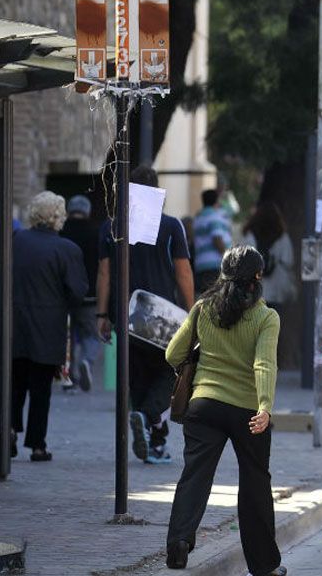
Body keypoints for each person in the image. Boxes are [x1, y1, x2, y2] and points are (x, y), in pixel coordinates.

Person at [164, 246, 286, 576]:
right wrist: (265, 407)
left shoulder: (203, 308)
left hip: (203, 406)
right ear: (257, 278)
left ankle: (178, 541)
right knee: (254, 484)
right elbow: (264, 364)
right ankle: (264, 566)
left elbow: (173, 354)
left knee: (195, 475)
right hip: (247, 412)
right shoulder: (265, 317)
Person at [97, 166, 194, 464]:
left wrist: (102, 313)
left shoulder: (112, 226)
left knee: (136, 375)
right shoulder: (171, 226)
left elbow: (104, 272)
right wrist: (193, 314)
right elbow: (183, 273)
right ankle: (149, 420)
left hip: (124, 314)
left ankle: (151, 437)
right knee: (171, 370)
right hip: (162, 317)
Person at [11, 192, 88, 461]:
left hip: (14, 325)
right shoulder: (66, 249)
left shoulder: (15, 241)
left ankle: (9, 430)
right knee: (41, 388)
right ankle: (37, 445)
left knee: (15, 382)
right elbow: (77, 292)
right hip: (48, 327)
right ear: (58, 217)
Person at [59, 194, 101, 392]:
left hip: (64, 295)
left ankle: (71, 377)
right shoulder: (95, 232)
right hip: (90, 294)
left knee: (68, 337)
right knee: (91, 335)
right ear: (88, 211)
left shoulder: (61, 231)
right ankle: (87, 360)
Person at [242, 201, 297, 312]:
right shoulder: (282, 236)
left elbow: (243, 262)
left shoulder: (250, 236)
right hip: (278, 292)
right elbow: (289, 261)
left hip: (257, 294)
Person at [193, 189, 232, 293]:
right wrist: (229, 258)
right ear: (217, 200)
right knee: (216, 300)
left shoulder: (198, 218)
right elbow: (217, 238)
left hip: (201, 265)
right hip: (214, 265)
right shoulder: (214, 216)